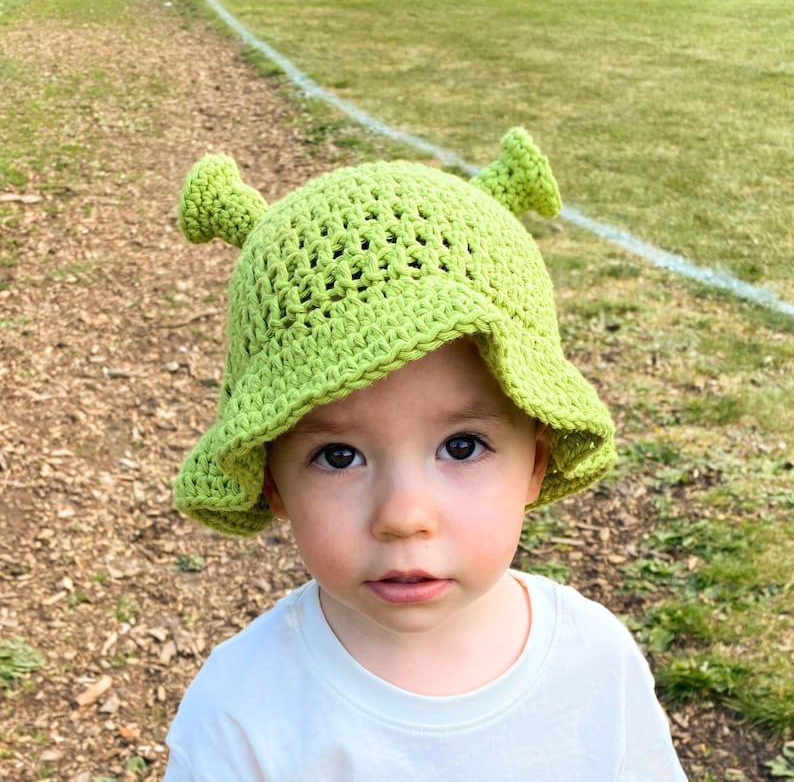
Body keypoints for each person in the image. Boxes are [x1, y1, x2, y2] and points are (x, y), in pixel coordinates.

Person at [164, 128, 687, 781]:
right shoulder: (243, 712)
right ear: (271, 482)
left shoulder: (596, 663)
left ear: (537, 460)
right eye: (337, 456)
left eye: (461, 446)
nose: (404, 515)